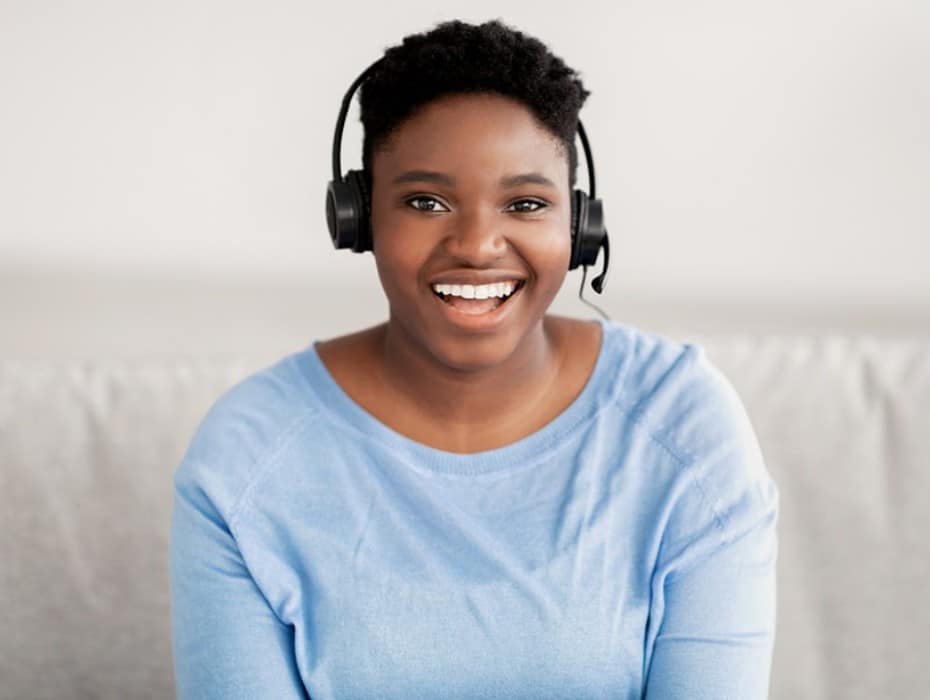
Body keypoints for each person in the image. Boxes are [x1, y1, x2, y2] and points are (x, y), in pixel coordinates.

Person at [170, 19, 779, 699]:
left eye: (525, 203)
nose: (478, 244)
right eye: (426, 201)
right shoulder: (245, 461)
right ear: (358, 218)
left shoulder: (684, 428)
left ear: (578, 229)